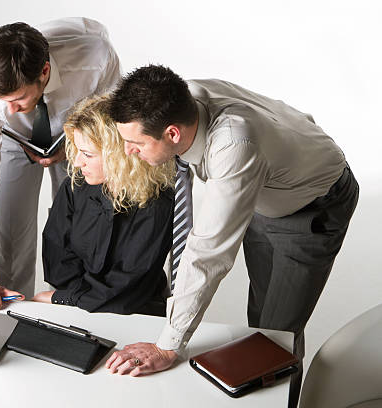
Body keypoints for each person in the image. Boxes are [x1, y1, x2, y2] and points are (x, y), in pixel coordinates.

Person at [104, 65, 359, 408]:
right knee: (259, 318)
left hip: (313, 204)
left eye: (135, 143)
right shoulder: (184, 96)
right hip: (265, 190)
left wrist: (168, 344)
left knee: (277, 336)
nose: (129, 150)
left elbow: (208, 253)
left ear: (173, 134)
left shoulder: (234, 147)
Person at [0, 18, 121, 310]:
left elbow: (110, 127)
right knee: (9, 230)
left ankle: (70, 308)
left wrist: (75, 145)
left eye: (18, 98)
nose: (9, 108)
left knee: (78, 225)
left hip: (77, 132)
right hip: (14, 137)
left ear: (44, 71)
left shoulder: (95, 58)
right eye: (4, 101)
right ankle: (9, 312)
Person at [31, 95, 174, 316]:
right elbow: (57, 256)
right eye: (77, 151)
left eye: (87, 154)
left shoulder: (158, 202)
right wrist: (74, 299)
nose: (77, 162)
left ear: (119, 155)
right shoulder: (74, 186)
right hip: (75, 307)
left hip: (136, 313)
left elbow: (129, 283)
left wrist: (64, 298)